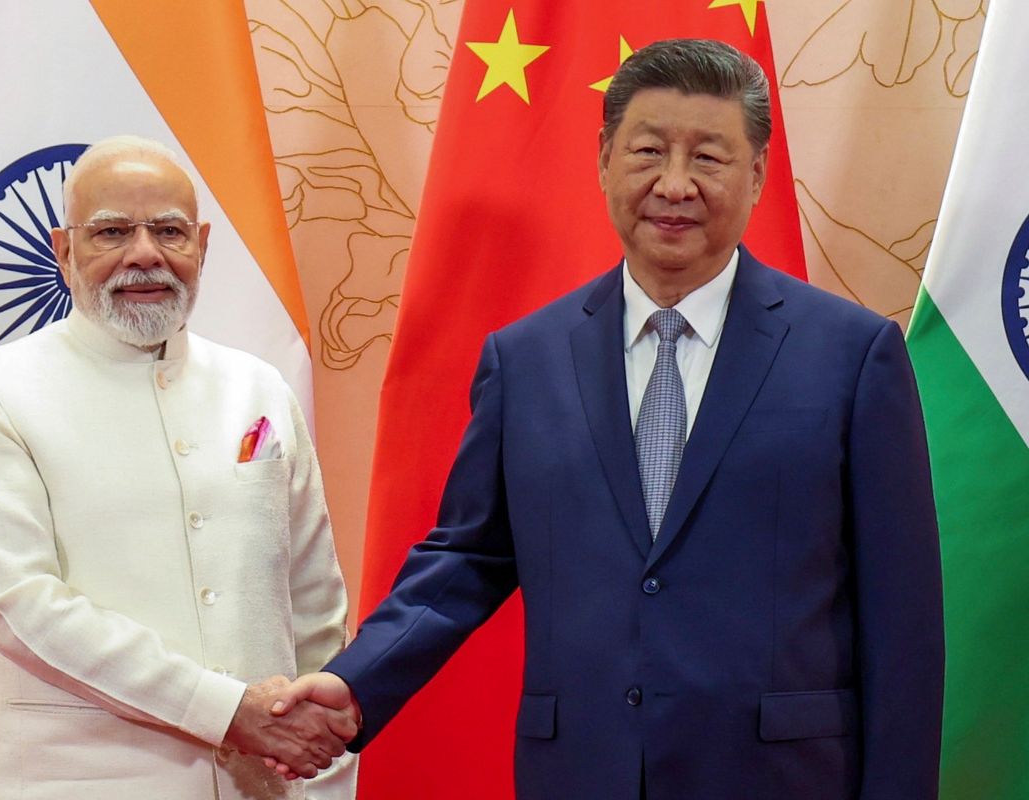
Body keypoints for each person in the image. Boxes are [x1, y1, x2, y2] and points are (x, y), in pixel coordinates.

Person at [268, 39, 944, 799]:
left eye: (710, 158)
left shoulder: (853, 356)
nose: (675, 184)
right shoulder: (524, 360)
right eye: (649, 150)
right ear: (603, 160)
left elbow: (904, 623)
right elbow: (466, 558)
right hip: (582, 773)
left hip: (782, 776)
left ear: (756, 174)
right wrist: (356, 685)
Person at [0, 135, 357, 799]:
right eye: (111, 232)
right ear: (63, 250)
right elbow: (19, 604)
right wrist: (224, 709)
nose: (145, 254)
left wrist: (326, 774)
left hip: (266, 786)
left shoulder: (257, 388)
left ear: (202, 246)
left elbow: (314, 605)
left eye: (169, 230)